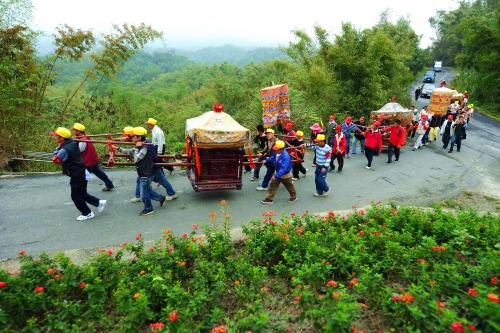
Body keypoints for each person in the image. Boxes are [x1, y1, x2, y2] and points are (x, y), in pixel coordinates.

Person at [51, 127, 106, 221]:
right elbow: (59, 153)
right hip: (82, 171)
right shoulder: (72, 142)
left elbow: (57, 159)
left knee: (75, 196)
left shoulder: (65, 149)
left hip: (77, 174)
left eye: (56, 136)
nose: (55, 137)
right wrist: (58, 149)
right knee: (82, 193)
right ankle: (99, 203)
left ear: (62, 138)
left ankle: (87, 213)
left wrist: (56, 155)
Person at [117, 127, 166, 216]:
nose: (132, 138)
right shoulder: (140, 144)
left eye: (133, 136)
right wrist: (117, 148)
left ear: (139, 137)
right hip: (143, 173)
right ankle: (161, 198)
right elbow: (129, 151)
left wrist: (136, 148)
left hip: (146, 174)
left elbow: (136, 159)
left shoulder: (145, 147)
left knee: (144, 195)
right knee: (148, 191)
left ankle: (149, 208)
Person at [71, 123, 115, 191]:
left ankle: (82, 191)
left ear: (78, 131)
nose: (72, 131)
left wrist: (74, 142)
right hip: (93, 159)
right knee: (100, 173)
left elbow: (79, 150)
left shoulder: (82, 140)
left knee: (85, 177)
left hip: (88, 162)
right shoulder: (85, 137)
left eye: (73, 130)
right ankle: (109, 185)